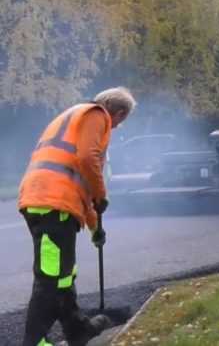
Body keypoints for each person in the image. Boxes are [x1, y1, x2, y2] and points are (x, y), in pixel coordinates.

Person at [18, 87, 136, 346]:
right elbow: (87, 159)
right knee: (50, 279)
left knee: (63, 274)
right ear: (118, 112)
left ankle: (77, 330)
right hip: (53, 205)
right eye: (119, 122)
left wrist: (95, 229)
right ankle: (34, 341)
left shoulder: (72, 116)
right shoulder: (97, 115)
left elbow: (78, 179)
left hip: (42, 199)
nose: (115, 128)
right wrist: (101, 194)